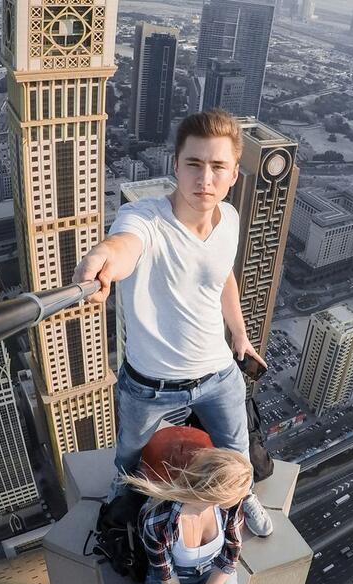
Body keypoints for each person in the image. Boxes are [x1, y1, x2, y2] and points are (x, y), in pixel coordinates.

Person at [72, 110, 271, 537]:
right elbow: (124, 245)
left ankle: (242, 495)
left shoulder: (230, 220)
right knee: (127, 456)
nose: (205, 179)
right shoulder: (146, 220)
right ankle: (119, 497)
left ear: (234, 174)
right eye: (194, 164)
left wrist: (239, 334)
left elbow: (223, 278)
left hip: (218, 374)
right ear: (176, 166)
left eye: (218, 167)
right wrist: (103, 258)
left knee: (237, 455)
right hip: (150, 384)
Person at [123, 436, 252, 584]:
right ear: (217, 495)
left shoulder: (230, 506)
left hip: (213, 572)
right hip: (172, 578)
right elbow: (165, 572)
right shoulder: (157, 519)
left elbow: (229, 557)